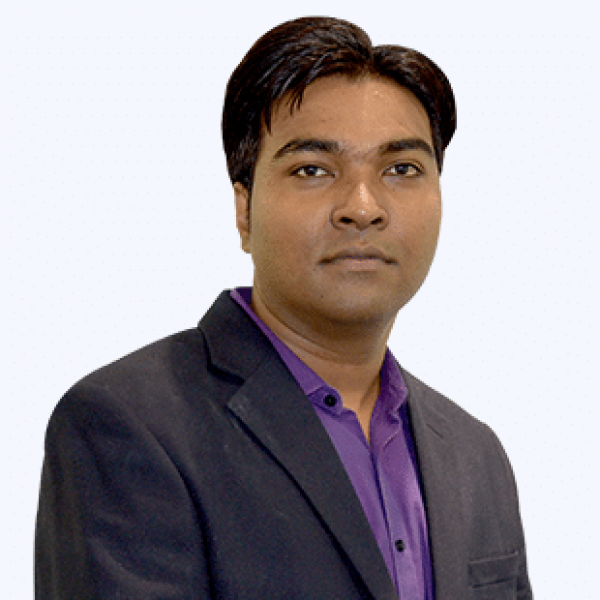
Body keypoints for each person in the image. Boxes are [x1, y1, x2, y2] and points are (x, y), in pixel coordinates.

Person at [35, 16, 533, 599]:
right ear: (244, 210)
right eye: (312, 169)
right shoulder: (129, 426)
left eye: (401, 169)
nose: (363, 207)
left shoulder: (475, 456)